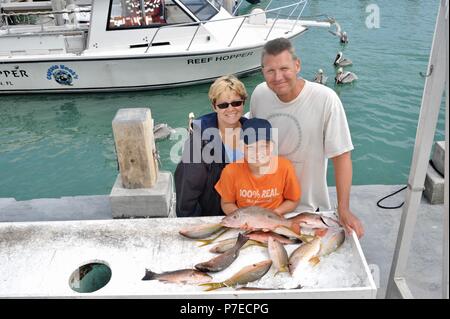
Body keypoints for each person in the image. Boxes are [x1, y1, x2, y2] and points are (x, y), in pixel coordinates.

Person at [249, 37, 364, 237]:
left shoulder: (326, 99)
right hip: (268, 207)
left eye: (284, 68)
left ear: (297, 65)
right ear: (263, 72)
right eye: (270, 71)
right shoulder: (259, 94)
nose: (278, 77)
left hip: (310, 210)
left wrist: (343, 209)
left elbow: (342, 156)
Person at [175, 75, 248, 217]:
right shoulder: (200, 139)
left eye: (236, 103)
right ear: (214, 106)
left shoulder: (254, 133)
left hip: (247, 218)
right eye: (223, 105)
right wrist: (193, 223)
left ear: (243, 102)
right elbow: (187, 187)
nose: (231, 109)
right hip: (214, 216)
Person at [215, 118, 301, 217]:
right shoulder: (230, 171)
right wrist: (243, 217)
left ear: (272, 146)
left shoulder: (285, 167)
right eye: (250, 147)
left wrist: (274, 214)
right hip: (244, 223)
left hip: (274, 219)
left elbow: (293, 200)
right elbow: (227, 203)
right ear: (242, 148)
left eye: (263, 147)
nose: (257, 153)